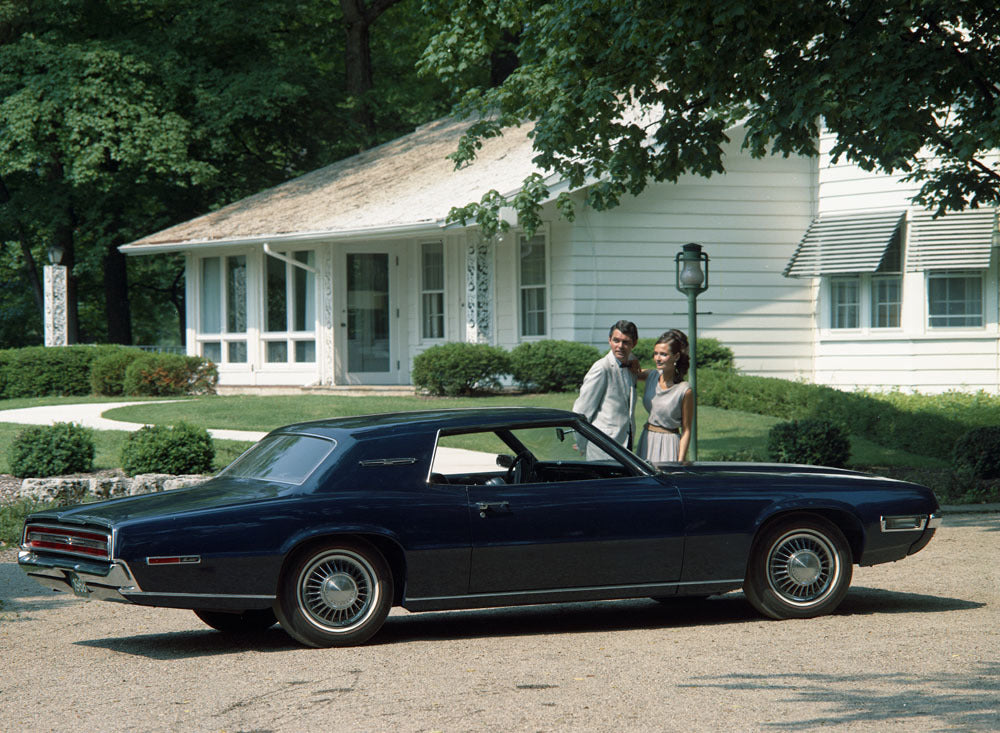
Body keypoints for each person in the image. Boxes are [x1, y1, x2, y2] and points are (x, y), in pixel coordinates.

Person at [572, 320, 639, 458]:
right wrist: (580, 443)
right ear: (609, 340)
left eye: (625, 342)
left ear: (634, 344)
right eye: (616, 340)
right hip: (602, 447)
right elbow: (582, 410)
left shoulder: (631, 365)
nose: (620, 346)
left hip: (626, 445)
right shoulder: (601, 368)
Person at [635, 329, 693, 463]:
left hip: (669, 443)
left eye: (663, 354)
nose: (657, 358)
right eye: (655, 353)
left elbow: (687, 430)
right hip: (647, 439)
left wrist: (680, 461)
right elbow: (629, 370)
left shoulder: (685, 390)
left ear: (676, 356)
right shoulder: (651, 376)